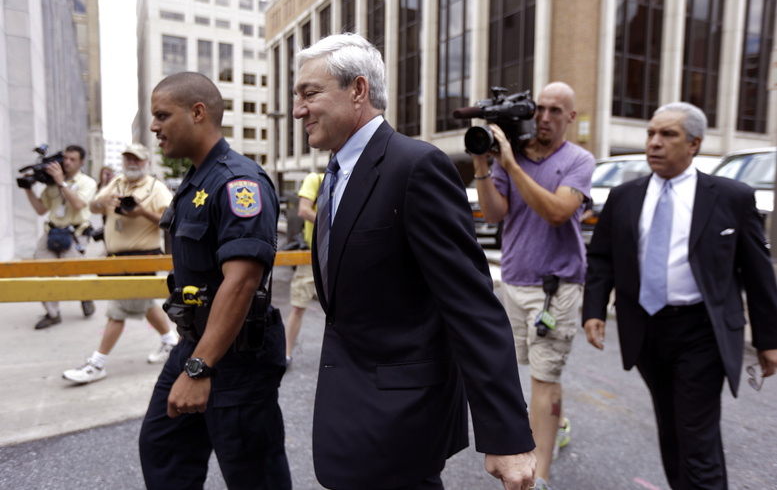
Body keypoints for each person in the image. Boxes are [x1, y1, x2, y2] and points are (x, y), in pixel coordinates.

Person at [292, 33, 536, 490]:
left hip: (400, 422)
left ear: (358, 91)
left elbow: (471, 305)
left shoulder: (415, 166)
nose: (298, 110)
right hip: (354, 415)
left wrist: (506, 434)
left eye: (310, 93)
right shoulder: (334, 172)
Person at [583, 102, 777, 490]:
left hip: (702, 331)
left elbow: (758, 272)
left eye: (667, 135)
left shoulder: (731, 197)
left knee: (695, 433)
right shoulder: (624, 196)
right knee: (673, 430)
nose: (654, 143)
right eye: (651, 134)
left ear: (694, 144)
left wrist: (769, 341)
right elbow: (602, 257)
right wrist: (594, 309)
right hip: (646, 330)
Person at [138, 72, 291, 489]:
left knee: (252, 474)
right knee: (163, 448)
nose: (155, 127)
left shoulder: (238, 182)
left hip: (236, 356)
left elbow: (241, 282)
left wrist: (199, 368)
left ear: (198, 112)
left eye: (162, 115)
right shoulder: (194, 181)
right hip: (195, 342)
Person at [471, 82, 594, 489]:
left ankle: (539, 478)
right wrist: (483, 164)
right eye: (540, 108)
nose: (544, 117)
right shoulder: (512, 159)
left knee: (544, 376)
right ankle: (553, 423)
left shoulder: (579, 159)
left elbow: (558, 211)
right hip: (515, 279)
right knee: (526, 371)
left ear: (571, 117)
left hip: (554, 287)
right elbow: (493, 213)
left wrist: (513, 164)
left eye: (556, 110)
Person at [62, 143, 177, 384]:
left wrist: (142, 212)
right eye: (127, 159)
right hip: (116, 257)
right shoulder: (116, 183)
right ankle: (170, 341)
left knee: (118, 309)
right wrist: (104, 200)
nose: (131, 163)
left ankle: (98, 363)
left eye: (137, 159)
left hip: (141, 257)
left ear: (146, 162)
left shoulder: (156, 187)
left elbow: (171, 219)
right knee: (144, 303)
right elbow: (92, 206)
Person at [22, 144, 97, 329]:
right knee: (43, 272)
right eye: (66, 158)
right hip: (52, 232)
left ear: (81, 162)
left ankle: (85, 296)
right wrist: (28, 189)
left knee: (73, 275)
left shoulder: (87, 182)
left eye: (73, 159)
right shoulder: (52, 184)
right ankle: (52, 313)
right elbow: (41, 209)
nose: (67, 162)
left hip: (75, 234)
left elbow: (78, 204)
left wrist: (61, 182)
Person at [284, 169, 324, 364]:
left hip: (342, 255)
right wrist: (335, 224)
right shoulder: (316, 179)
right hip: (314, 254)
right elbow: (304, 210)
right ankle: (286, 354)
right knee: (298, 306)